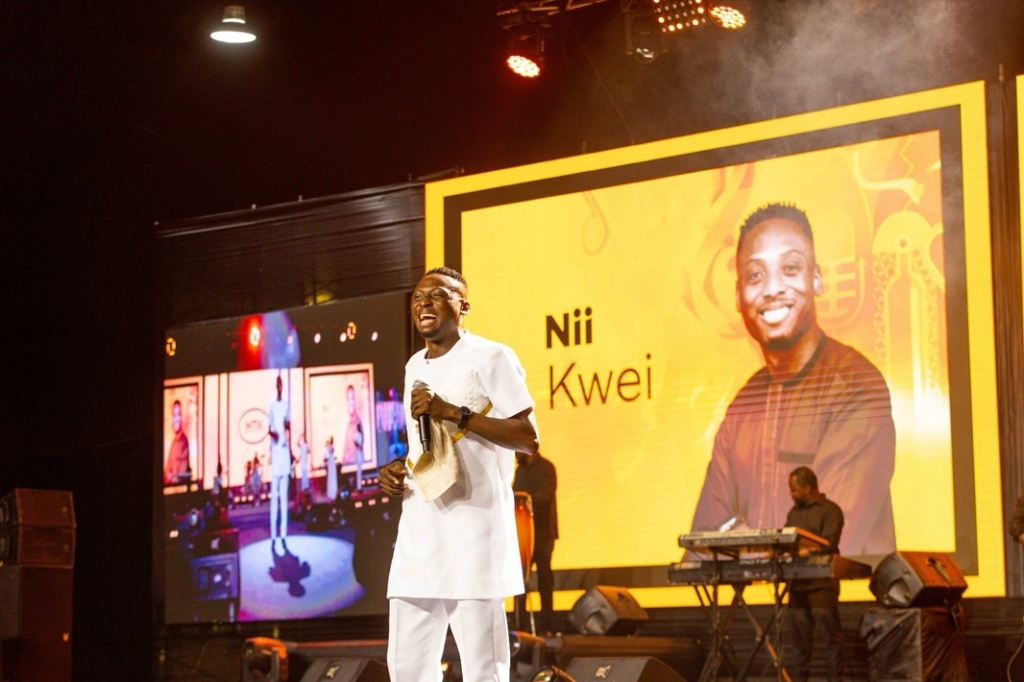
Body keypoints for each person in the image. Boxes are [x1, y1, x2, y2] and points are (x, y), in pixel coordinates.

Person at [689, 202, 896, 557]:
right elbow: (701, 547)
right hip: (757, 593)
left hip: (837, 592)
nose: (772, 289)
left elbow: (825, 543)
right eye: (755, 275)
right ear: (738, 296)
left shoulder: (858, 387)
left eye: (790, 268)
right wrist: (735, 545)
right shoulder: (744, 405)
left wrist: (741, 542)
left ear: (816, 279)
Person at [378, 266, 539, 682]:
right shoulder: (414, 365)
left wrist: (454, 412)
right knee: (407, 668)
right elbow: (426, 446)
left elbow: (528, 439)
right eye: (418, 297)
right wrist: (399, 468)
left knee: (483, 670)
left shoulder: (492, 356)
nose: (424, 303)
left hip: (474, 531)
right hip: (419, 530)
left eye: (437, 295)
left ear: (463, 305)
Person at [785, 466, 844, 682]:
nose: (791, 494)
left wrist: (805, 551)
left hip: (822, 584)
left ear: (807, 488)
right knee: (800, 643)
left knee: (830, 639)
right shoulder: (793, 513)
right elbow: (786, 541)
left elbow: (829, 543)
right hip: (797, 583)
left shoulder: (831, 510)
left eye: (794, 490)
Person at [512, 450, 558, 634]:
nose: (515, 455)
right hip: (524, 534)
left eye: (517, 450)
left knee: (544, 579)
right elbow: (514, 494)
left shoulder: (547, 468)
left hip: (543, 533)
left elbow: (547, 495)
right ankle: (519, 625)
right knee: (521, 580)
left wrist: (526, 499)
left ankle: (547, 626)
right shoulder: (520, 471)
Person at [268, 374, 292, 540]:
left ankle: (283, 534)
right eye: (277, 384)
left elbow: (288, 425)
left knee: (284, 497)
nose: (279, 387)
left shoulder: (286, 405)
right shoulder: (271, 405)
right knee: (274, 497)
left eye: (281, 384)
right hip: (275, 453)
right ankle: (273, 534)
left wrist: (284, 434)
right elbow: (269, 428)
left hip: (284, 452)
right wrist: (274, 434)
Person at [163, 400, 192, 483]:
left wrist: (172, 476)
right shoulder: (173, 443)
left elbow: (182, 473)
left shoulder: (184, 442)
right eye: (174, 415)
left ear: (182, 417)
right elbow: (167, 470)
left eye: (178, 415)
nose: (176, 419)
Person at [342, 384, 365, 466]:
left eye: (352, 399)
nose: (350, 403)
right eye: (348, 399)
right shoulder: (349, 424)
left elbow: (358, 448)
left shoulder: (357, 423)